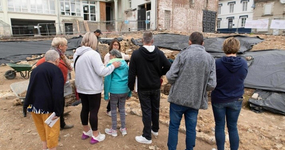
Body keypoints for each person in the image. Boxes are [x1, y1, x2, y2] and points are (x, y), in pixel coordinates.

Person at [166, 32, 217, 150]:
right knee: (191, 128)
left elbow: (170, 76)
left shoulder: (182, 55)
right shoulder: (210, 59)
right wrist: (201, 88)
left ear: (189, 42)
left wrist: (177, 83)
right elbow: (212, 84)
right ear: (203, 43)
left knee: (174, 126)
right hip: (195, 99)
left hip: (177, 98)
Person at [73, 32, 121, 144]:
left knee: (85, 109)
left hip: (81, 87)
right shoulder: (93, 54)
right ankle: (95, 135)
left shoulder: (77, 54)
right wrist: (113, 66)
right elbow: (101, 72)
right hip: (92, 88)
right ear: (94, 41)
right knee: (94, 111)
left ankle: (86, 131)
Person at [128, 31, 171, 144]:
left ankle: (147, 136)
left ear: (142, 40)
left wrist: (130, 86)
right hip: (156, 86)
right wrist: (159, 73)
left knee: (146, 111)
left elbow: (131, 72)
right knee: (155, 108)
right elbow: (168, 66)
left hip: (143, 86)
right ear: (152, 41)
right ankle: (155, 129)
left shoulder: (136, 54)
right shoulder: (159, 53)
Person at [211, 37, 248, 150]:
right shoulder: (243, 63)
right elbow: (243, 77)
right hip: (236, 98)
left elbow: (212, 80)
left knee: (219, 125)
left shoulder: (217, 63)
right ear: (237, 48)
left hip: (219, 98)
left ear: (224, 47)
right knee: (232, 127)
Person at [24, 50, 64, 150]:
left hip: (34, 106)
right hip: (48, 107)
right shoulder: (56, 70)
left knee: (41, 128)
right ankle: (51, 148)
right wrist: (58, 111)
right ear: (56, 60)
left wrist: (26, 104)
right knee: (52, 130)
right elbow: (57, 92)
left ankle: (44, 147)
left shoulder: (36, 70)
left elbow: (30, 88)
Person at [36, 37, 74, 130]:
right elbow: (40, 65)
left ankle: (61, 124)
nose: (67, 47)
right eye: (65, 45)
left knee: (60, 106)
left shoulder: (61, 56)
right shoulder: (52, 57)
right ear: (60, 46)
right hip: (53, 88)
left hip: (60, 86)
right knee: (54, 108)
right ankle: (54, 130)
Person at [104, 49, 131, 137]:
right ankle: (123, 129)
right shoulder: (126, 65)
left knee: (113, 110)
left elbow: (107, 80)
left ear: (114, 56)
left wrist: (105, 94)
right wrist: (129, 92)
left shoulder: (111, 64)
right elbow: (129, 78)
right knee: (122, 109)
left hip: (114, 90)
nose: (109, 57)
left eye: (110, 56)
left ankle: (114, 130)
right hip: (124, 90)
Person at [104, 38, 130, 116]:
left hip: (120, 79)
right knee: (113, 97)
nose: (116, 46)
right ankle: (109, 110)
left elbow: (127, 57)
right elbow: (106, 66)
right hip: (112, 76)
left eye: (117, 45)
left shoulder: (121, 54)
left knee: (119, 95)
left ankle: (120, 109)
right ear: (111, 45)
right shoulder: (108, 55)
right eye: (114, 44)